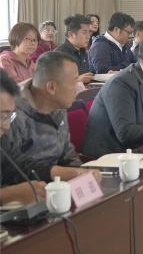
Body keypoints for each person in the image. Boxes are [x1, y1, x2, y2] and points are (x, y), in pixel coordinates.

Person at [0, 52, 99, 183]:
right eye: (74, 82)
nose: (77, 89)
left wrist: (83, 175)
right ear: (51, 87)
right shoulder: (10, 112)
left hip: (57, 184)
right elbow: (12, 168)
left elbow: (67, 155)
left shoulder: (58, 105)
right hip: (26, 188)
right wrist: (71, 173)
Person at [0, 70, 46, 205]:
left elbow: (21, 166)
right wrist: (10, 194)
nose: (7, 126)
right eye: (2, 116)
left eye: (9, 116)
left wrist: (70, 173)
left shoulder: (3, 139)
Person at [55, 14, 96, 84]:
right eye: (84, 32)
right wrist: (78, 80)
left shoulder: (83, 51)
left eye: (89, 32)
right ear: (71, 34)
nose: (88, 36)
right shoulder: (59, 54)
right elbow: (56, 84)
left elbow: (88, 74)